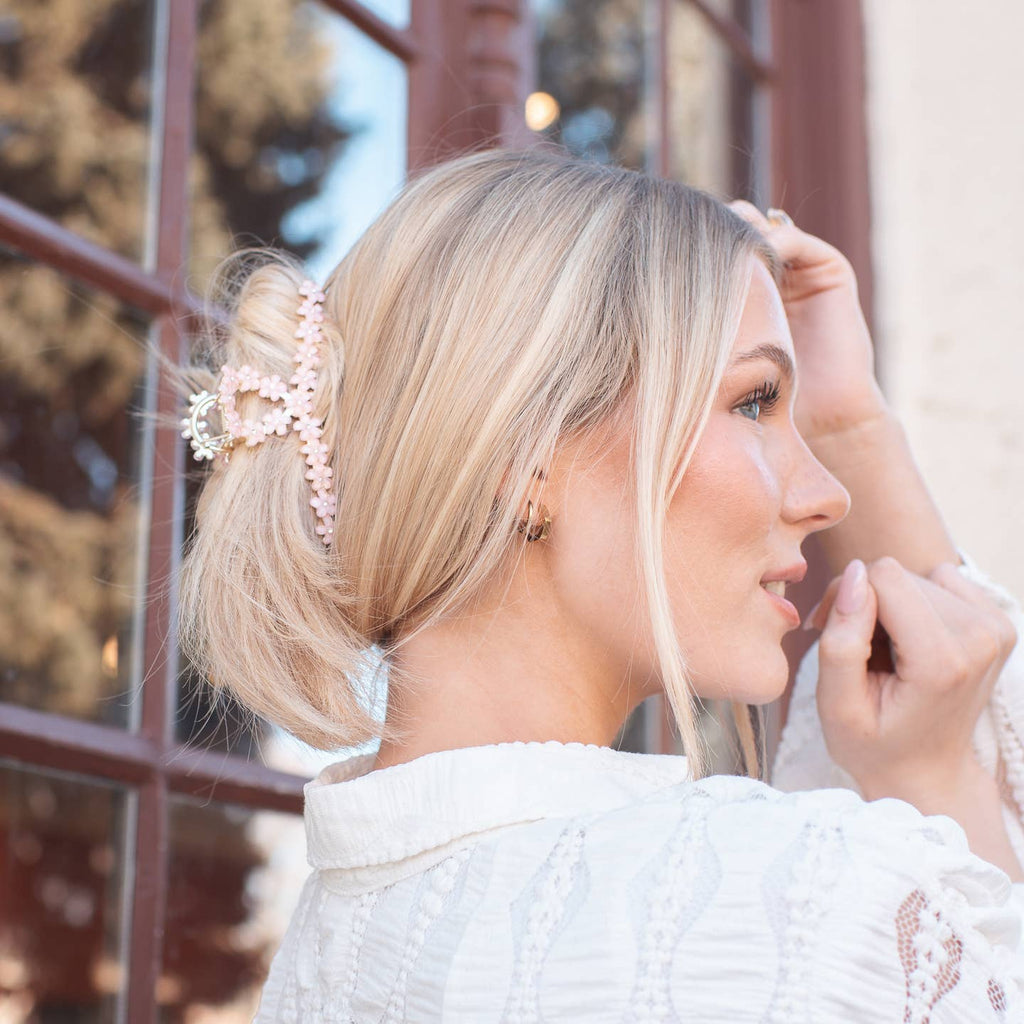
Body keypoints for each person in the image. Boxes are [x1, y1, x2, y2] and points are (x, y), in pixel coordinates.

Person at [176, 148, 1024, 1021]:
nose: (826, 496)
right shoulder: (810, 901)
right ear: (527, 456)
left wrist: (848, 419)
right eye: (754, 402)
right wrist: (938, 778)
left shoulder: (328, 948)